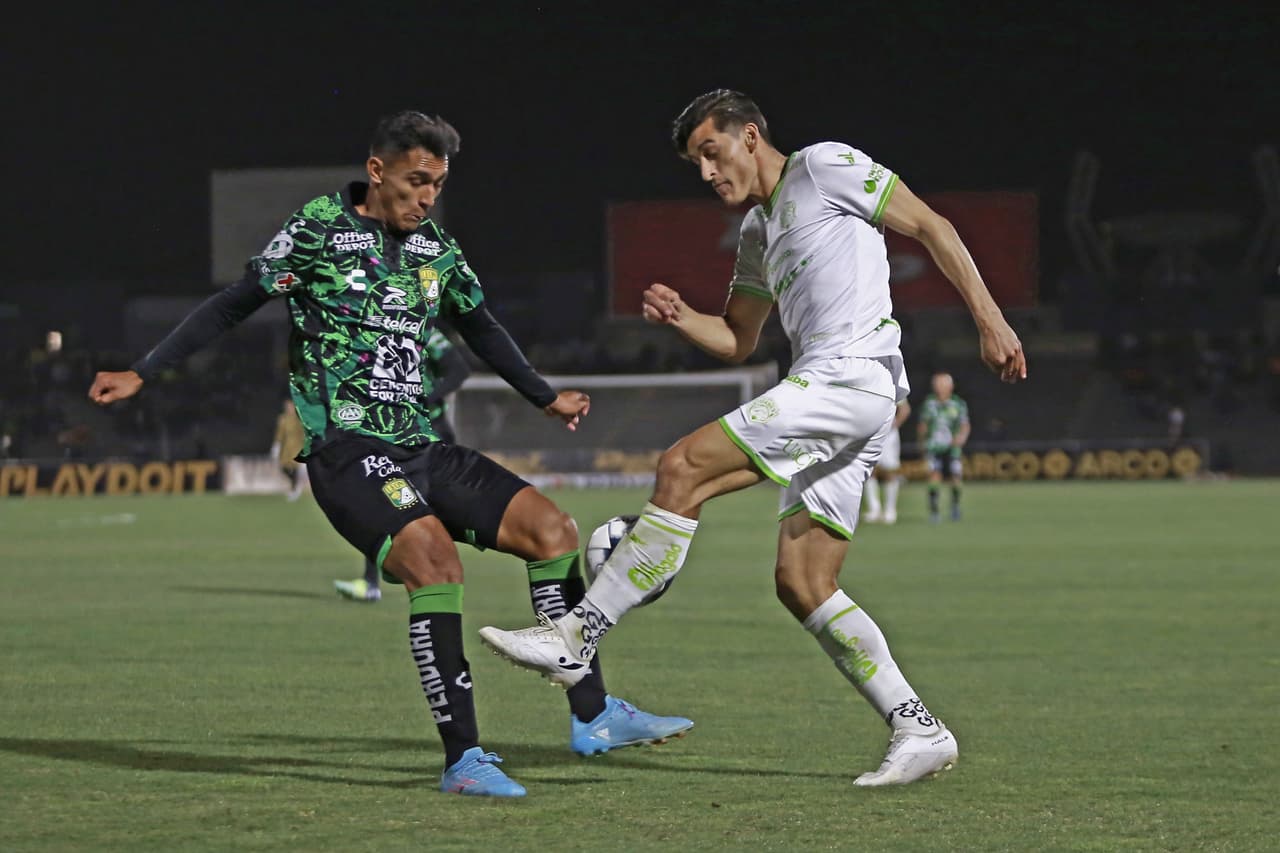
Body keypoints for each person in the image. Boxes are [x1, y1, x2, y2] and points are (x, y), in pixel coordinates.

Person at [89, 110, 692, 798]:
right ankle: (463, 758)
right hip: (348, 452)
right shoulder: (319, 227)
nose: (426, 195)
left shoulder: (435, 248)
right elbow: (235, 302)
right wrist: (145, 367)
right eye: (415, 181)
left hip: (423, 446)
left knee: (551, 530)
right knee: (435, 561)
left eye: (436, 183)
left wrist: (544, 397)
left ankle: (594, 715)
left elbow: (480, 324)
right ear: (377, 172)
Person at [480, 90, 1026, 787]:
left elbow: (933, 225)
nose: (707, 173)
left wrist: (991, 320)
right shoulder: (758, 233)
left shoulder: (824, 166)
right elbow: (738, 339)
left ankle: (576, 634)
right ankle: (918, 726)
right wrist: (682, 315)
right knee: (803, 582)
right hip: (842, 395)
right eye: (696, 163)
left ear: (750, 135)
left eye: (712, 152)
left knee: (681, 467)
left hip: (850, 376)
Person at [334, 326, 470, 603]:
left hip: (429, 433)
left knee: (414, 506)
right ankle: (373, 581)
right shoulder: (372, 331)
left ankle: (426, 576)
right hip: (392, 431)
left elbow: (458, 370)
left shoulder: (427, 331)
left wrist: (422, 399)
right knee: (384, 500)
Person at [918, 372, 970, 523]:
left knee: (955, 476)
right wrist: (921, 443)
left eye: (942, 384)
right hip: (934, 447)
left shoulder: (958, 404)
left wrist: (961, 438)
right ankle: (934, 512)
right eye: (937, 384)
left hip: (952, 448)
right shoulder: (929, 404)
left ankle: (955, 507)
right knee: (934, 476)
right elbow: (923, 425)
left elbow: (965, 425)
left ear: (950, 386)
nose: (939, 387)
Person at [861, 399, 910, 524]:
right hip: (869, 432)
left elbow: (905, 408)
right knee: (870, 470)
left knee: (890, 471)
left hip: (888, 435)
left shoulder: (892, 381)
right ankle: (874, 509)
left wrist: (894, 424)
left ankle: (890, 510)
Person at [271, 399, 309, 501]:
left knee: (295, 468)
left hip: (297, 446)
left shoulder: (299, 419)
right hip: (287, 447)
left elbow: (304, 433)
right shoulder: (282, 419)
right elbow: (280, 434)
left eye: (291, 406)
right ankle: (295, 485)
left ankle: (294, 489)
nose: (289, 408)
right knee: (284, 467)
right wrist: (276, 445)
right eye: (288, 406)